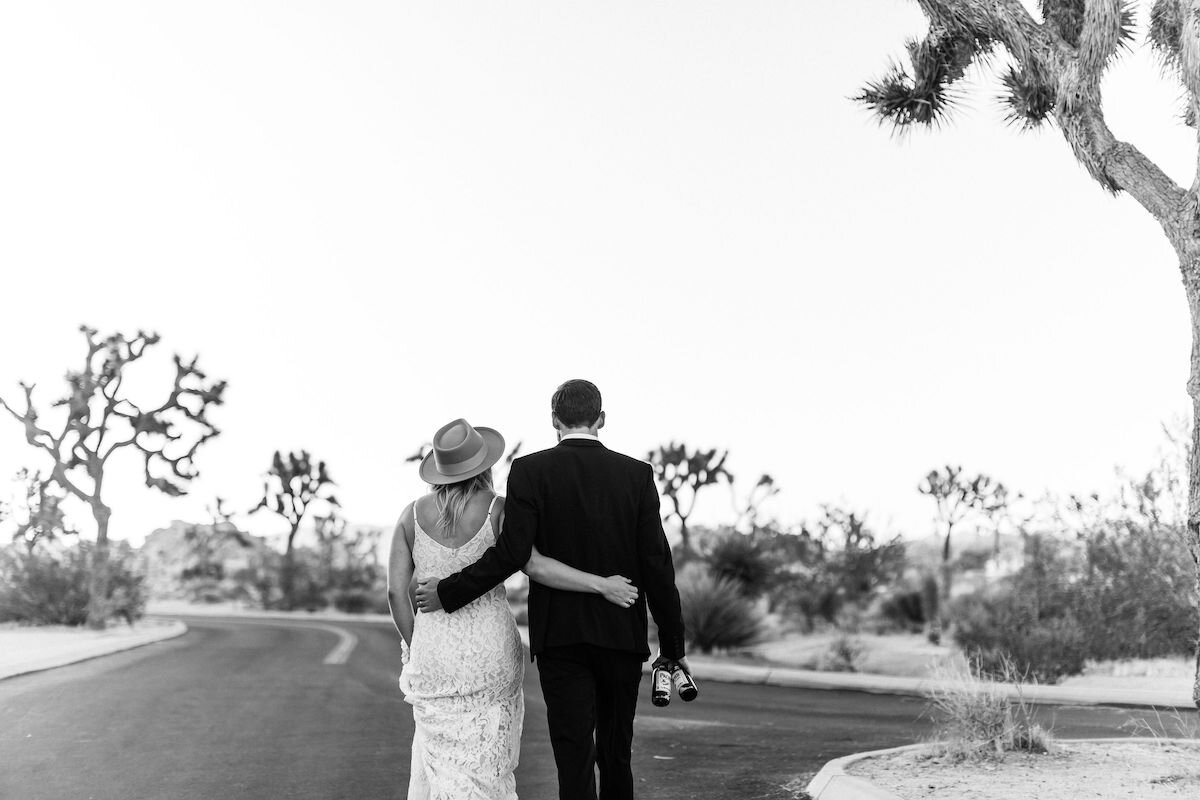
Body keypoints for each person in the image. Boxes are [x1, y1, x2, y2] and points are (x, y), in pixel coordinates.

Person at [415, 379, 689, 800]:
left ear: (554, 421)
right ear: (601, 419)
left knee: (573, 754)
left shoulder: (529, 470)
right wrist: (672, 647)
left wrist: (448, 592)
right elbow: (657, 565)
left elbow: (511, 555)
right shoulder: (637, 475)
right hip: (621, 636)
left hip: (560, 639)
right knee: (617, 753)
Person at [388, 417, 639, 800]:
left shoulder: (410, 515)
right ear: (484, 465)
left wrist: (416, 642)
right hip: (491, 651)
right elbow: (534, 565)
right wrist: (601, 585)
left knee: (438, 758)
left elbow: (395, 592)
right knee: (490, 760)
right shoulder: (498, 510)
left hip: (434, 650)